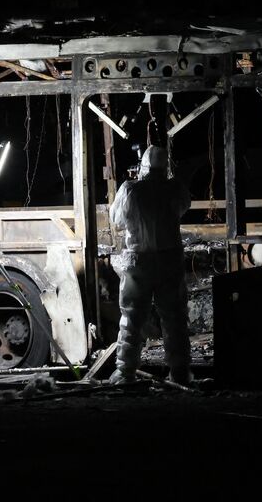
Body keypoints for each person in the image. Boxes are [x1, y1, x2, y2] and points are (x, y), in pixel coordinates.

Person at [107, 146, 193, 386]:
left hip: (139, 260)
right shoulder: (174, 189)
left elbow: (116, 219)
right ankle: (180, 374)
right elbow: (183, 207)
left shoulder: (130, 190)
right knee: (174, 319)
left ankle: (125, 373)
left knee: (132, 319)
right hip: (169, 260)